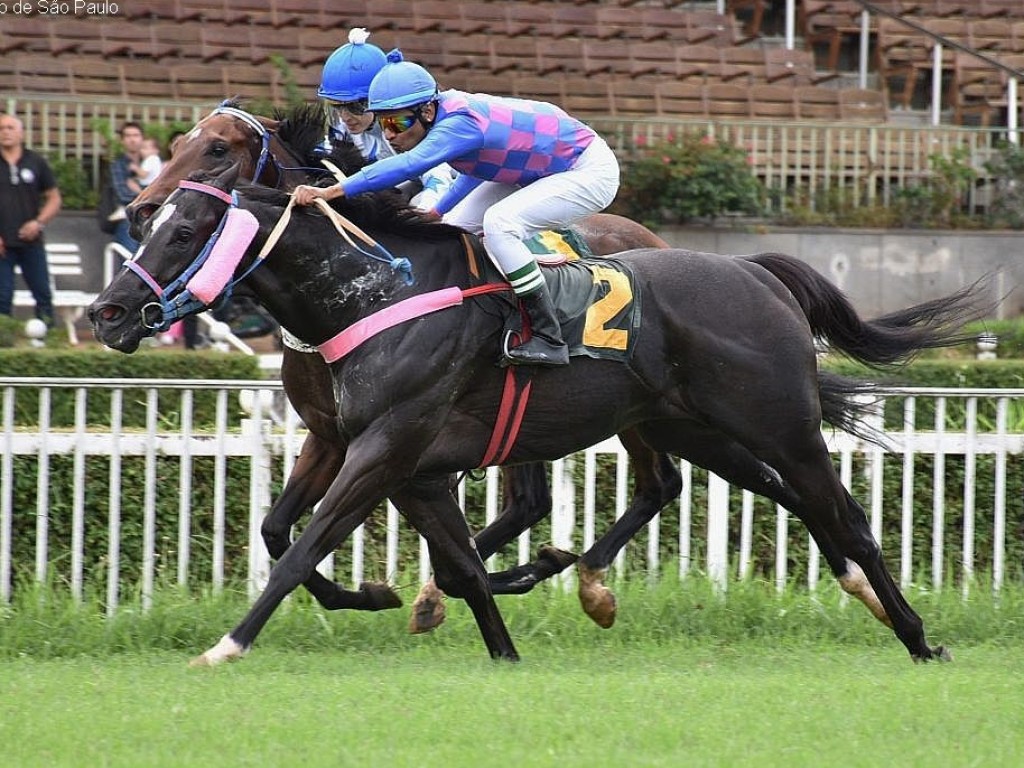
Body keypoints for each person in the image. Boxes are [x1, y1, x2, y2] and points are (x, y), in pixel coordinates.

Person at [294, 51, 621, 367]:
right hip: (532, 168)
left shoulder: (458, 123)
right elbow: (478, 166)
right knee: (451, 228)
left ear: (427, 112)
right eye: (384, 124)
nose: (391, 134)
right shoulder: (443, 113)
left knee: (500, 223)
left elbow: (409, 165)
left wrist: (331, 191)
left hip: (585, 168)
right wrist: (437, 213)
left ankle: (547, 335)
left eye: (398, 122)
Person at [317, 28, 456, 212]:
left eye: (353, 107)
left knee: (414, 205)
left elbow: (438, 179)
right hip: (414, 180)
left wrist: (421, 220)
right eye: (337, 108)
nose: (345, 117)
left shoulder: (412, 126)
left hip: (461, 180)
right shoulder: (346, 128)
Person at [0, 112, 61, 328]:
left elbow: (54, 198)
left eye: (10, 128)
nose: (5, 132)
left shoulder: (36, 161)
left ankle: (48, 340)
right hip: (2, 245)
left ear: (21, 132)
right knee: (2, 297)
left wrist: (39, 222)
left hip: (31, 241)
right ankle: (4, 344)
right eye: (1, 128)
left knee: (43, 294)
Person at [108, 121, 144, 254]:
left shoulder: (151, 162)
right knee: (127, 260)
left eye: (136, 135)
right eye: (128, 136)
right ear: (122, 140)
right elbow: (123, 194)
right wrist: (147, 193)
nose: (132, 139)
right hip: (130, 219)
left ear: (142, 138)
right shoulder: (118, 164)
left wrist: (139, 190)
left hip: (153, 219)